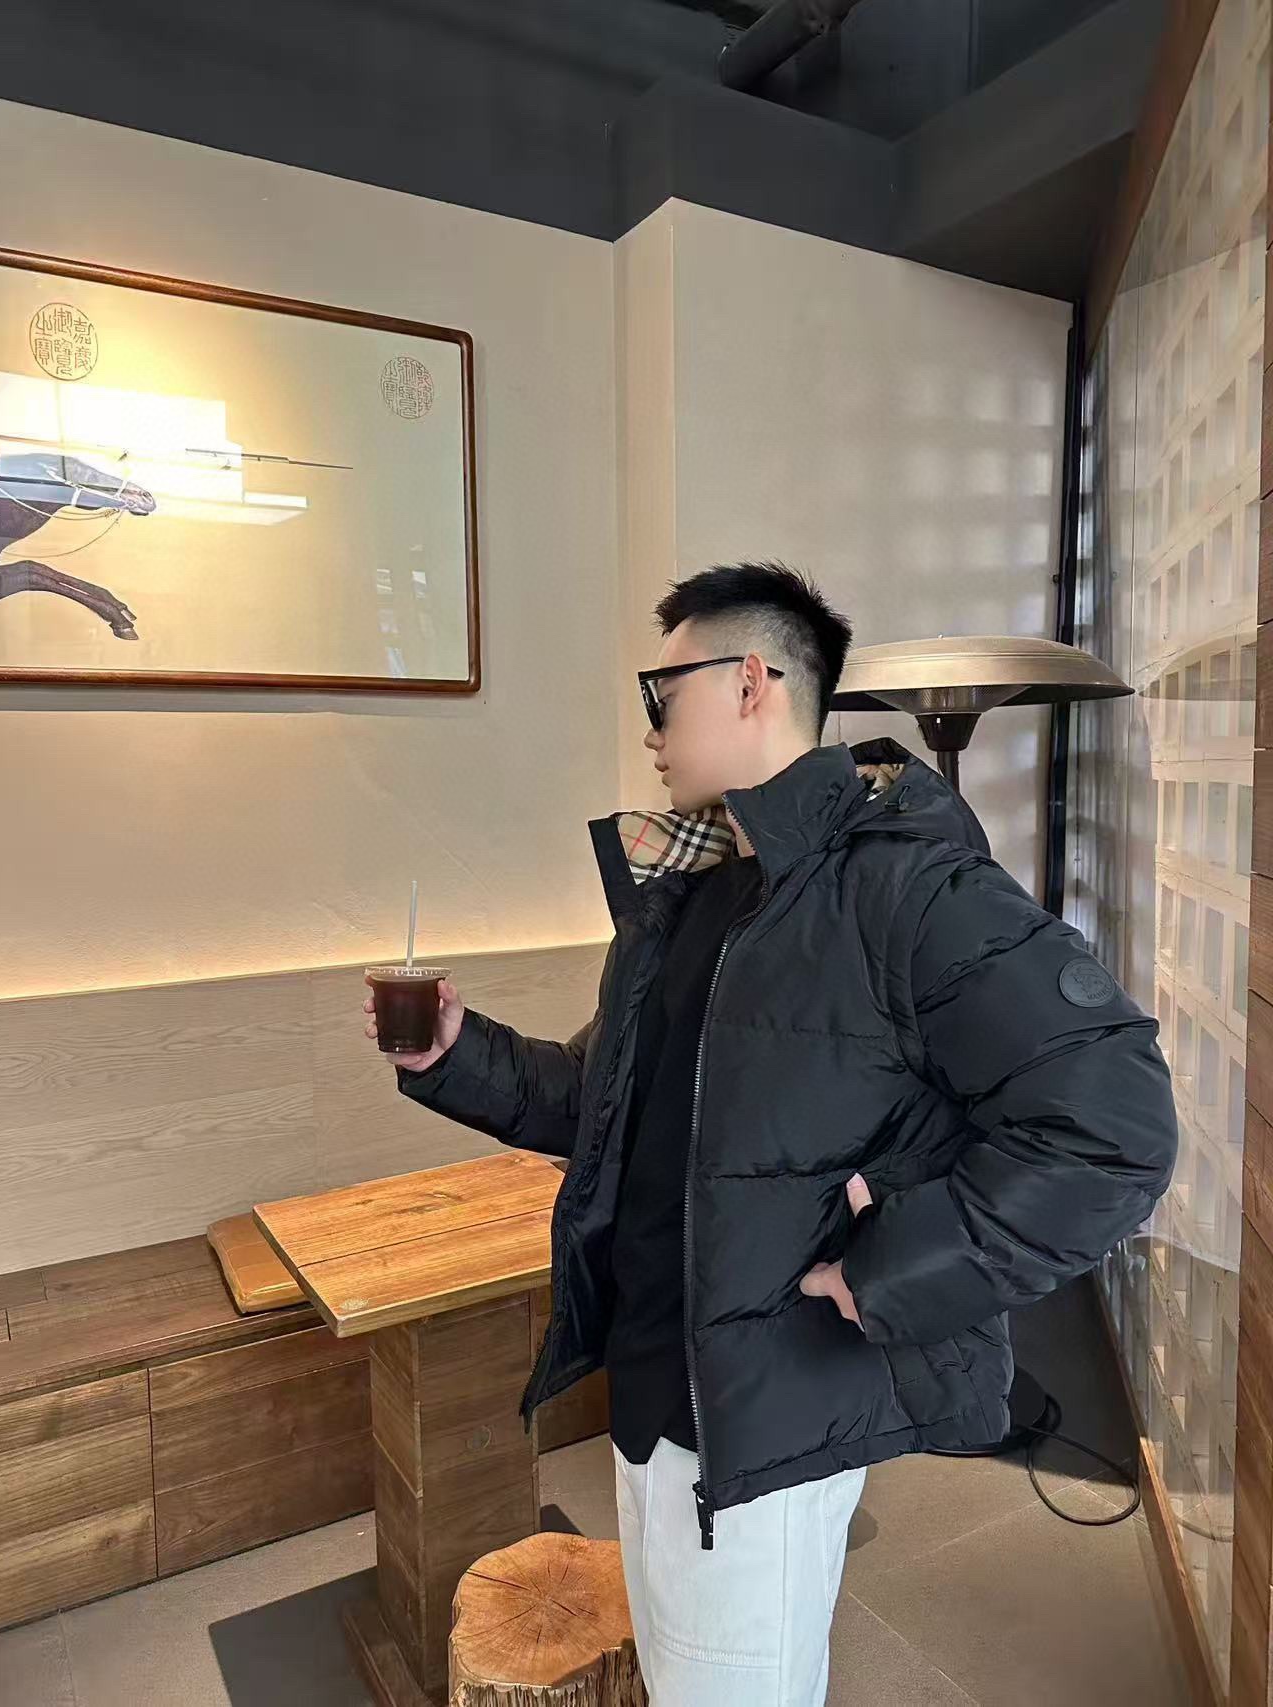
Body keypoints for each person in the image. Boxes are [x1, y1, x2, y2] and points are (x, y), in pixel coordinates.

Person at [364, 561, 1178, 1707]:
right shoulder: (688, 894)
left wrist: (889, 1266)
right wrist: (453, 1054)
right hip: (654, 1388)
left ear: (750, 681)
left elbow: (1112, 1129)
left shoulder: (907, 891)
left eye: (663, 691)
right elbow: (602, 1104)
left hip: (764, 1409)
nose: (649, 727)